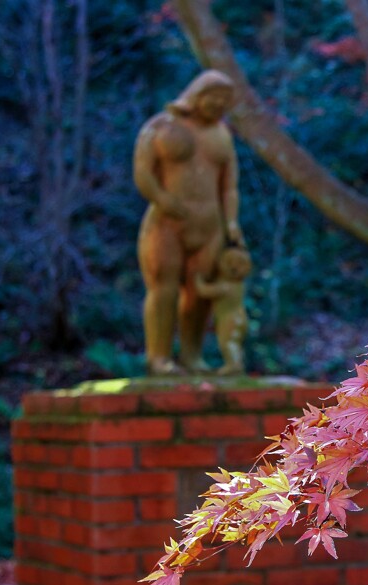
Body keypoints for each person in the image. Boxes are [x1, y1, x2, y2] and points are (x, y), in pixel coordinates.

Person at [133, 70, 245, 375]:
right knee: (163, 287)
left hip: (210, 227)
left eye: (226, 100)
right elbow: (143, 171)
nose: (219, 104)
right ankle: (158, 357)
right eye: (214, 96)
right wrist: (161, 198)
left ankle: (192, 355)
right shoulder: (162, 126)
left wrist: (232, 223)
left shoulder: (222, 135)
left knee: (199, 292)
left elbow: (229, 186)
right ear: (197, 94)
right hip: (167, 222)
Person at [195, 246, 251, 376]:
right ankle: (237, 363)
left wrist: (197, 279)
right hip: (240, 317)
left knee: (227, 342)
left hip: (229, 319)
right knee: (235, 342)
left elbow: (204, 291)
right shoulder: (239, 285)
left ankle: (233, 365)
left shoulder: (225, 286)